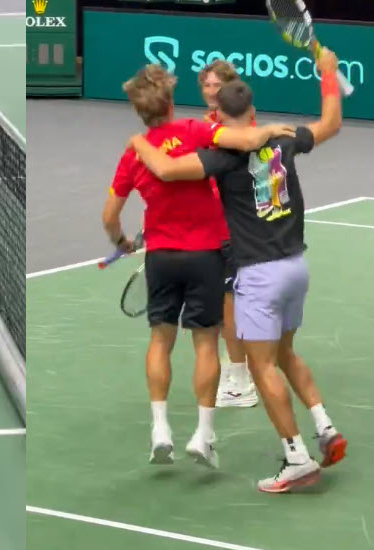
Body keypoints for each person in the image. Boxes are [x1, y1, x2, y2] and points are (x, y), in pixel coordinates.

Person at [127, 49, 347, 492]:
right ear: (253, 109)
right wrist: (328, 75)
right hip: (295, 267)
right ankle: (324, 427)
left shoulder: (221, 157)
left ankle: (297, 457)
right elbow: (331, 124)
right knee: (286, 354)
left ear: (219, 116)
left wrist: (137, 142)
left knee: (262, 367)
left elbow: (167, 169)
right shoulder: (284, 139)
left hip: (259, 276)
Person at [101, 64, 294, 469]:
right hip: (206, 254)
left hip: (161, 258)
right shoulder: (193, 130)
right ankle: (204, 436)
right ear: (169, 102)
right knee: (205, 343)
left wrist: (121, 242)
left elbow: (110, 216)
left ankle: (160, 429)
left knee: (159, 341)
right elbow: (242, 139)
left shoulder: (134, 153)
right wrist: (270, 131)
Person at [198, 60, 257, 407]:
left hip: (232, 227)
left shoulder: (236, 128)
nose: (210, 91)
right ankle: (243, 370)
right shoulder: (213, 126)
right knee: (228, 305)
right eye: (206, 85)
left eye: (217, 85)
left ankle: (239, 380)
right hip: (213, 225)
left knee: (229, 305)